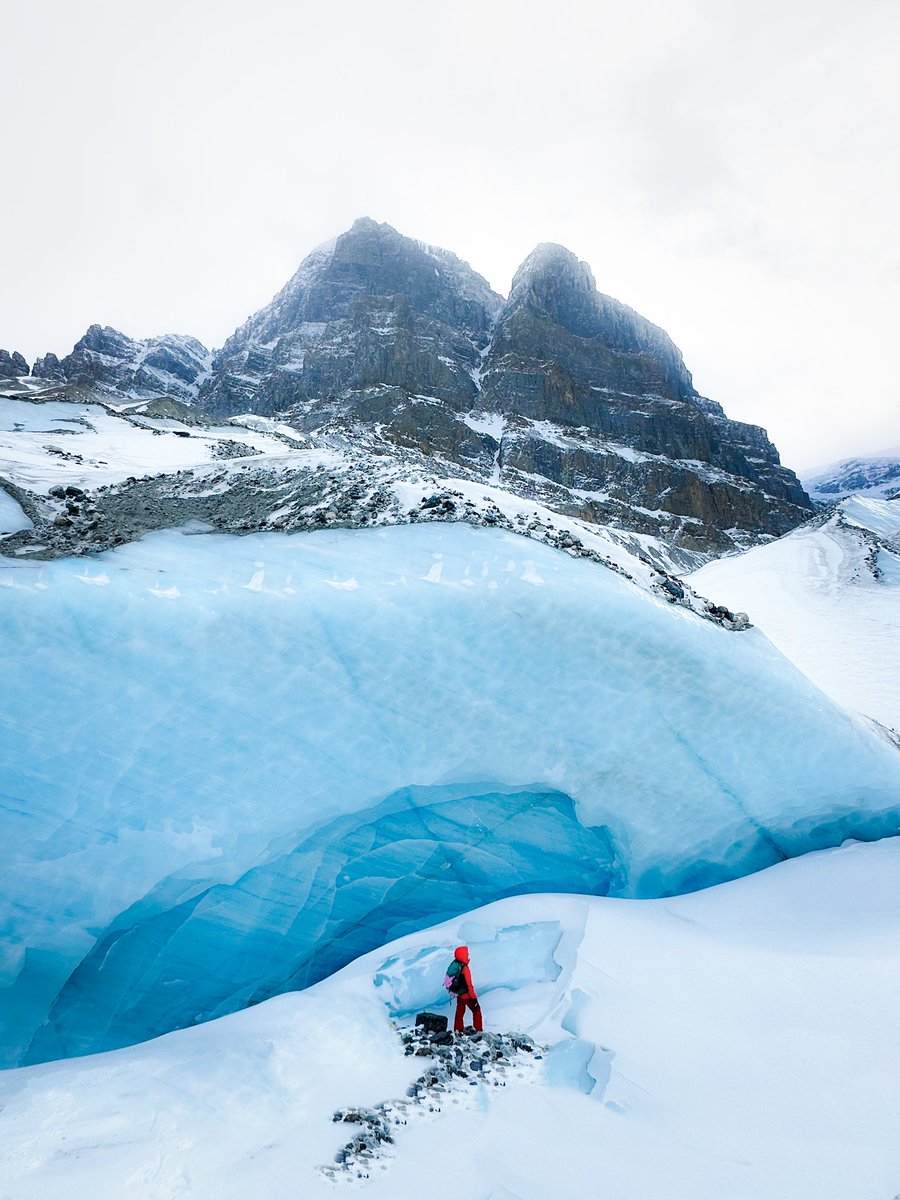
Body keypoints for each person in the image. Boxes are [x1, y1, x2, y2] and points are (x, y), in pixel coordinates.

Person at [451, 944, 483, 1033]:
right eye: (467, 954)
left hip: (459, 993)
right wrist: (474, 999)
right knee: (476, 1010)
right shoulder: (465, 968)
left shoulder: (456, 965)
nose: (468, 955)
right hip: (466, 995)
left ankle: (458, 1029)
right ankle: (479, 1030)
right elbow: (469, 985)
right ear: (463, 955)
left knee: (460, 1011)